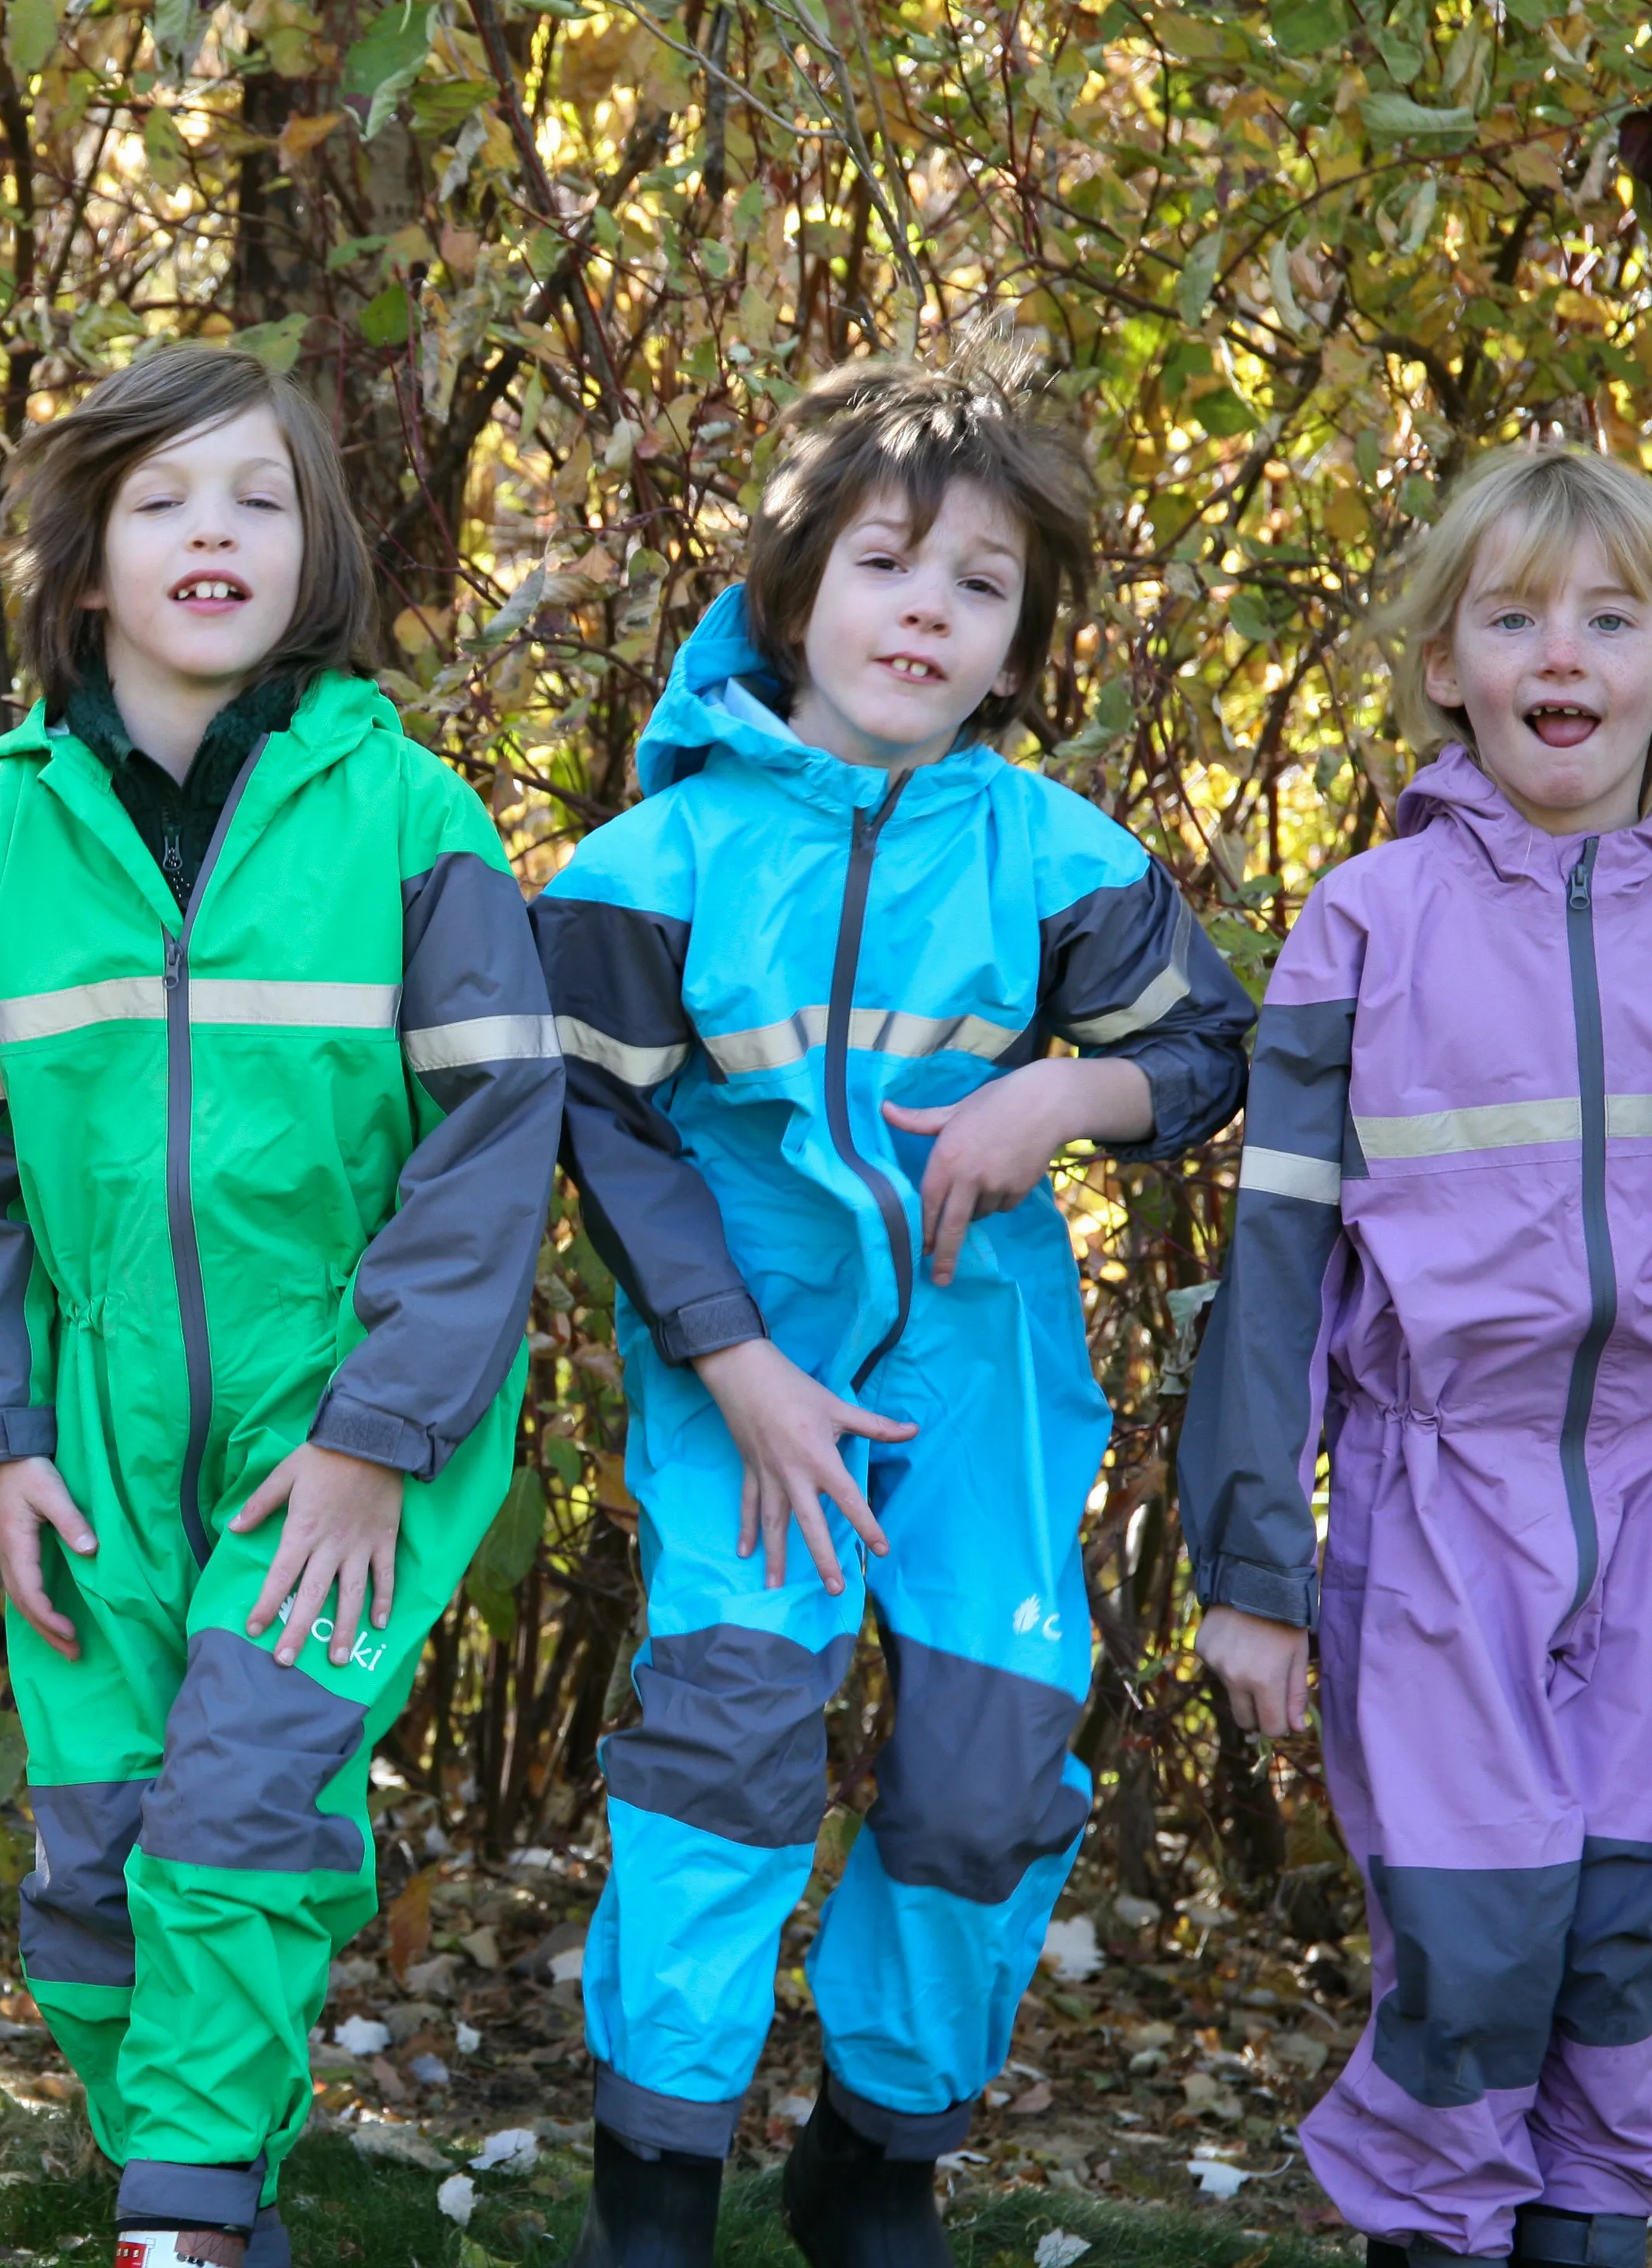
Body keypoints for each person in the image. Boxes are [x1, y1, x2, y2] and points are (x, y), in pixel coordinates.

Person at [539, 343, 1254, 2267]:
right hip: (744, 1370)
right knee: (727, 1749)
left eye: (979, 587)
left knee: (988, 1768)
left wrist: (1062, 1092)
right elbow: (594, 1120)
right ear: (793, 594)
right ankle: (658, 2173)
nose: (925, 609)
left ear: (1019, 651)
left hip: (982, 1374)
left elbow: (1207, 1049)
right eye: (885, 563)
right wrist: (737, 1365)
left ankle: (877, 2150)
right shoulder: (652, 863)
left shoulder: (1049, 855)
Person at [0, 341, 562, 2268]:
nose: (214, 532)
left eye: (258, 496)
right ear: (87, 567)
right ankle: (201, 2145)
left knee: (239, 1812)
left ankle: (180, 2228)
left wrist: (374, 1439)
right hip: (88, 1423)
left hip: (346, 1417)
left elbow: (497, 1142)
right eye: (165, 499)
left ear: (313, 548)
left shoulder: (410, 820)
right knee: (98, 1870)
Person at [1179, 443, 1652, 2267]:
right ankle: (1431, 2235)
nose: (1561, 654)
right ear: (1447, 665)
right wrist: (1253, 1569)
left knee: (1613, 1946)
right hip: (1445, 1509)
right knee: (1477, 1942)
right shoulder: (1371, 924)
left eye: (1609, 616)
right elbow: (1271, 1273)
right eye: (1514, 619)